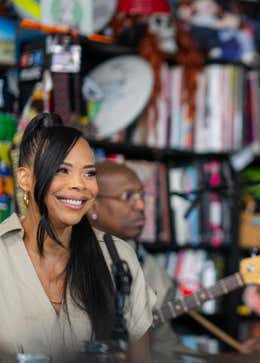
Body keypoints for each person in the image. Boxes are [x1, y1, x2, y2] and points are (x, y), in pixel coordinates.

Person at [0, 113, 155, 361]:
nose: (79, 185)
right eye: (62, 170)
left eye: (88, 173)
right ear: (25, 179)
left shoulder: (117, 257)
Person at [88, 161, 183, 362]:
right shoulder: (61, 257)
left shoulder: (152, 272)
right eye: (127, 196)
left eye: (141, 195)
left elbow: (163, 348)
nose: (140, 206)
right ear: (92, 206)